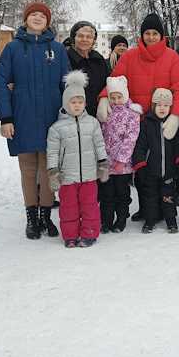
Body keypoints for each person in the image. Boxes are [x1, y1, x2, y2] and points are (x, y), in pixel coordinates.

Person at [98, 13, 179, 221]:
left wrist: (175, 116)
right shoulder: (130, 56)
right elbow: (115, 81)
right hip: (138, 124)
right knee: (141, 168)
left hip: (163, 123)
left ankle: (162, 206)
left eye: (155, 33)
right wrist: (104, 98)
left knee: (163, 167)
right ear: (142, 35)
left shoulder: (172, 57)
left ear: (161, 35)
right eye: (147, 33)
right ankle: (147, 208)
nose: (150, 37)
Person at [0, 1, 70, 239]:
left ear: (48, 21)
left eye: (42, 15)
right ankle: (31, 217)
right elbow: (0, 83)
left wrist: (68, 114)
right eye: (33, 15)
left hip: (51, 119)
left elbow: (67, 84)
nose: (37, 18)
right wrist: (5, 117)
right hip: (23, 117)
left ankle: (46, 217)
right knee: (28, 170)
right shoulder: (13, 48)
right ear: (26, 19)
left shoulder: (57, 50)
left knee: (49, 169)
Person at [47, 71, 109, 247]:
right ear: (66, 103)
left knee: (89, 206)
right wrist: (53, 172)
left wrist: (103, 163)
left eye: (80, 102)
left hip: (89, 176)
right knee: (68, 209)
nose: (77, 105)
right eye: (73, 102)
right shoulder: (56, 128)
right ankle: (70, 236)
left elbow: (99, 145)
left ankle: (89, 233)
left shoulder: (92, 123)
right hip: (67, 177)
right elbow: (52, 152)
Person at [131, 88, 179, 233]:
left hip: (168, 171)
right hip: (150, 170)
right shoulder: (146, 123)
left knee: (168, 198)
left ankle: (171, 221)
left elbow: (178, 145)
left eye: (165, 105)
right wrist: (140, 165)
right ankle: (149, 221)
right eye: (158, 105)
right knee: (150, 198)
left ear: (170, 107)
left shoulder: (174, 124)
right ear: (153, 106)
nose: (162, 108)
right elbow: (140, 145)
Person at [99, 76, 142, 233]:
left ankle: (121, 218)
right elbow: (101, 136)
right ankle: (106, 220)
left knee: (121, 192)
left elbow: (130, 139)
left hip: (122, 164)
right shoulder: (106, 113)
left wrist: (121, 160)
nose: (116, 100)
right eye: (113, 97)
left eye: (119, 97)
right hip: (106, 162)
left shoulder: (132, 114)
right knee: (106, 193)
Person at [64, 21, 109, 117]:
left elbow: (107, 83)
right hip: (74, 115)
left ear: (93, 40)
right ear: (73, 38)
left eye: (89, 37)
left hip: (98, 114)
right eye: (80, 36)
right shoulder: (66, 59)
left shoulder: (98, 59)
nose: (84, 39)